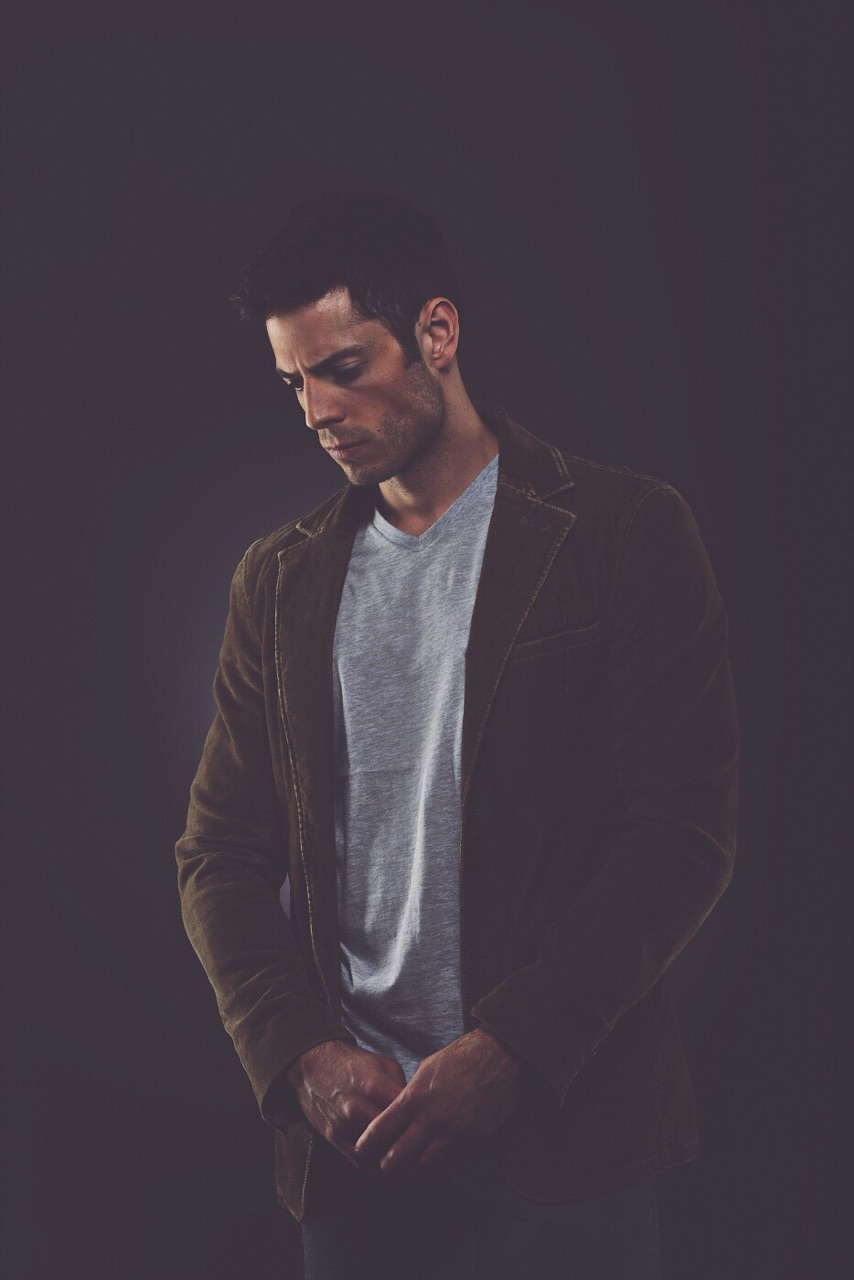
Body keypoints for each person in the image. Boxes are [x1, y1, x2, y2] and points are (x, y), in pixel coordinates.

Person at [176, 191, 740, 1279]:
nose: (315, 411)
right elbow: (218, 853)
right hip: (361, 1155)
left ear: (436, 332)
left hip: (568, 1145)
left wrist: (511, 1050)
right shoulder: (277, 582)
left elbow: (683, 834)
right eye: (293, 382)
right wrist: (300, 1057)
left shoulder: (622, 532)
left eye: (342, 367)